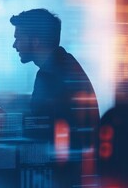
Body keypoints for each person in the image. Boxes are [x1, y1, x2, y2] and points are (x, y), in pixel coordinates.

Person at [10, 8, 99, 149]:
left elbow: (38, 130)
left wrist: (4, 122)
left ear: (35, 41)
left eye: (18, 38)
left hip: (66, 164)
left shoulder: (49, 74)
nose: (14, 45)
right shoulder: (63, 64)